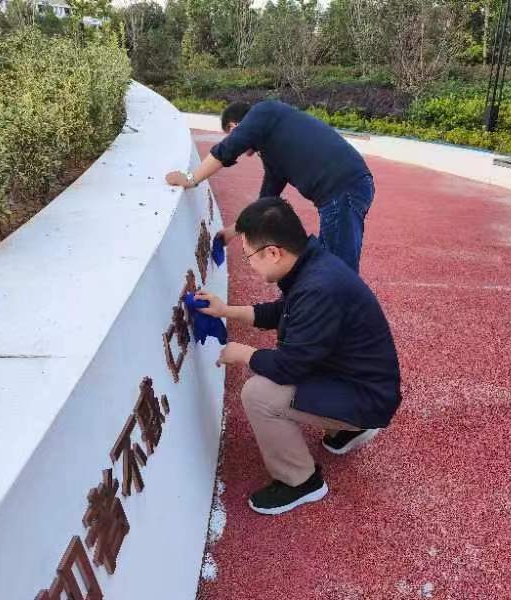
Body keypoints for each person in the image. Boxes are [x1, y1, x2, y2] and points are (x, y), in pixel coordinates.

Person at [194, 196, 401, 516]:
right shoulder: (312, 265)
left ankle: (300, 481)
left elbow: (287, 368)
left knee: (258, 393)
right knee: (272, 366)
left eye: (249, 255)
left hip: (367, 398)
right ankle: (346, 428)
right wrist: (225, 311)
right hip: (359, 381)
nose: (249, 264)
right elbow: (283, 312)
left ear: (273, 252)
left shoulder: (318, 288)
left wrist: (243, 353)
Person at [166, 100, 375, 273]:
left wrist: (191, 179)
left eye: (231, 133)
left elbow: (227, 149)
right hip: (343, 191)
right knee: (328, 263)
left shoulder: (263, 111)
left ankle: (340, 311)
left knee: (338, 270)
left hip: (343, 188)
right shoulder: (273, 149)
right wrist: (234, 231)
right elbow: (267, 199)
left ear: (236, 126)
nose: (236, 141)